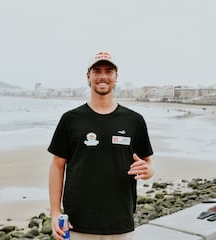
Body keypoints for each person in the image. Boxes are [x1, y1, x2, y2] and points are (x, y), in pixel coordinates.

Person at [48, 51, 154, 240]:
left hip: (121, 222)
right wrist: (55, 212)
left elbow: (148, 163)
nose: (103, 76)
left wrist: (148, 170)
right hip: (78, 223)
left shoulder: (134, 121)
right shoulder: (70, 119)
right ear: (88, 76)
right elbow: (57, 166)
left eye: (108, 71)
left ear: (116, 77)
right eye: (97, 71)